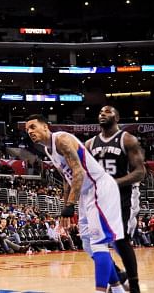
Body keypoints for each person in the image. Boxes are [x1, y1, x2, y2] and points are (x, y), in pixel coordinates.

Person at [25, 115, 126, 293]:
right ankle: (118, 288)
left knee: (98, 242)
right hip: (85, 193)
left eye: (33, 127)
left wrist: (70, 206)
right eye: (27, 130)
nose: (30, 132)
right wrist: (65, 206)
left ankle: (101, 290)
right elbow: (66, 180)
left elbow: (78, 170)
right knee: (87, 244)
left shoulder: (62, 139)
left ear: (45, 127)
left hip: (98, 186)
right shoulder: (49, 151)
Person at [85, 106, 146, 293]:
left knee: (121, 239)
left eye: (108, 112)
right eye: (100, 112)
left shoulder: (127, 139)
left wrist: (113, 183)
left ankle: (134, 286)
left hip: (124, 195)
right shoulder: (89, 144)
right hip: (100, 197)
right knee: (96, 242)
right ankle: (116, 277)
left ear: (117, 117)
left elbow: (140, 172)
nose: (102, 114)